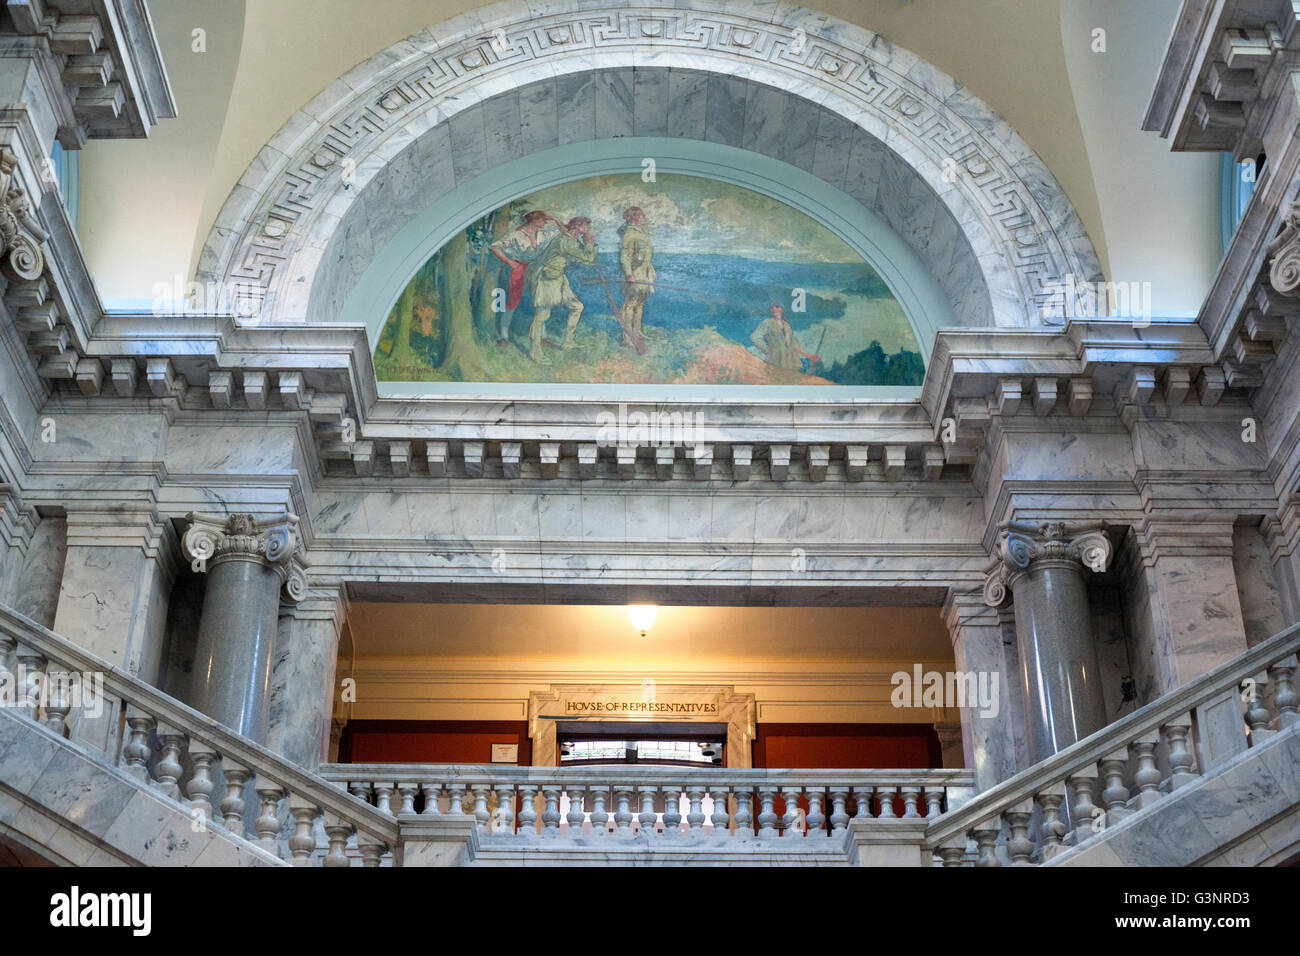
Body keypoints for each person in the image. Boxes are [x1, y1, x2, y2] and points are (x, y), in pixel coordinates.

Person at [524, 216, 599, 364]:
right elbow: (588, 259)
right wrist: (590, 244)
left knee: (577, 306)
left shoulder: (571, 239)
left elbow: (585, 260)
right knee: (542, 316)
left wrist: (589, 245)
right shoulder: (565, 240)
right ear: (578, 227)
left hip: (558, 277)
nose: (589, 229)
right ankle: (535, 352)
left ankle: (568, 342)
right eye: (586, 226)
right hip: (546, 278)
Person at [489, 209, 561, 345]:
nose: (546, 222)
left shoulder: (543, 234)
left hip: (537, 269)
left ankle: (542, 336)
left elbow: (565, 232)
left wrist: (556, 220)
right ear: (534, 220)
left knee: (541, 301)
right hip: (520, 269)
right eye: (543, 220)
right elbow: (494, 247)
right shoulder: (517, 235)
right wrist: (510, 262)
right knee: (513, 301)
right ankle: (504, 336)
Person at [618, 206, 655, 348]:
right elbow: (625, 256)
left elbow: (647, 255)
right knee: (630, 304)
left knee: (641, 302)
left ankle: (637, 332)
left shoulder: (641, 232)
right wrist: (628, 274)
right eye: (641, 216)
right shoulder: (628, 233)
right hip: (635, 272)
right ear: (634, 217)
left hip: (645, 273)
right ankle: (627, 337)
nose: (644, 218)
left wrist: (652, 270)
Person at [750, 303, 819, 371]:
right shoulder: (767, 322)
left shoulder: (787, 325)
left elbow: (795, 345)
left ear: (782, 309)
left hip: (790, 363)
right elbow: (755, 337)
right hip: (774, 361)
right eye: (772, 307)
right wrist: (765, 349)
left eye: (777, 307)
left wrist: (810, 356)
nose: (774, 309)